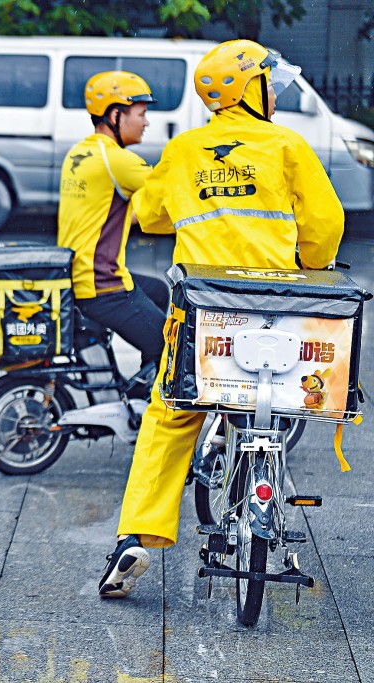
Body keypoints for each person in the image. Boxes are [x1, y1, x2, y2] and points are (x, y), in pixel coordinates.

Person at [98, 40, 344, 598]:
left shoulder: (185, 148)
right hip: (278, 314)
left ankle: (138, 534)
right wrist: (310, 261)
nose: (275, 98)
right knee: (276, 399)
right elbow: (324, 223)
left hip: (203, 313)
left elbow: (151, 215)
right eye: (269, 85)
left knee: (171, 413)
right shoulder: (286, 145)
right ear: (250, 89)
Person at [57, 70, 168, 391]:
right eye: (141, 114)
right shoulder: (117, 159)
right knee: (174, 348)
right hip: (103, 286)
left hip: (77, 275)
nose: (146, 122)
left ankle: (145, 375)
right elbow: (176, 196)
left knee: (158, 291)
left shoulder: (79, 152)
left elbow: (114, 215)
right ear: (116, 114)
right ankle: (140, 392)